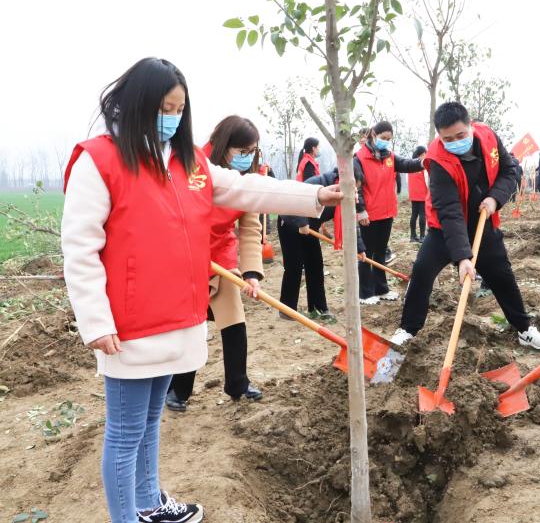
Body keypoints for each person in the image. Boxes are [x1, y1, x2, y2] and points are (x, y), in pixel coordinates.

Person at [61, 58, 341, 523]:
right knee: (125, 432)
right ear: (138, 104)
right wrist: (95, 321)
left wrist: (313, 196)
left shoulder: (188, 162)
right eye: (164, 108)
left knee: (150, 422)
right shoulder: (101, 161)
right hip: (128, 324)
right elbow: (80, 249)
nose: (172, 117)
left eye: (179, 109)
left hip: (178, 313)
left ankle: (149, 503)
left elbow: (245, 189)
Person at [390, 102, 540, 349]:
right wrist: (463, 257)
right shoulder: (436, 160)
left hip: (483, 222)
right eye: (448, 139)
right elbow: (449, 210)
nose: (455, 142)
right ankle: (407, 329)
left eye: (460, 135)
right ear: (439, 136)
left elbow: (509, 171)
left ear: (471, 126)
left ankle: (523, 328)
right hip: (445, 228)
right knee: (422, 271)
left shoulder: (488, 137)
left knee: (502, 274)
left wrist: (495, 198)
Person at [166, 115, 265, 412]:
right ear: (224, 145)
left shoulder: (246, 180)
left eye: (252, 152)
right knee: (190, 326)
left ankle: (238, 383)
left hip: (222, 257)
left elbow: (250, 229)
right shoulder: (193, 166)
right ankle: (178, 389)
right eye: (242, 151)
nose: (247, 158)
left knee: (234, 322)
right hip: (187, 257)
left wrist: (251, 273)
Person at [279, 167, 367, 319]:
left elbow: (350, 221)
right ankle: (287, 309)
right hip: (290, 223)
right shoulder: (317, 183)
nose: (355, 192)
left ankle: (318, 308)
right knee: (294, 267)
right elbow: (290, 201)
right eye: (354, 188)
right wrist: (301, 222)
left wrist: (359, 248)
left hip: (310, 227)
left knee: (315, 265)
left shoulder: (345, 196)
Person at [354, 121, 424, 304]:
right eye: (383, 138)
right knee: (366, 254)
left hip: (386, 212)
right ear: (373, 135)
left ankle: (381, 288)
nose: (386, 141)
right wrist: (361, 210)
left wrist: (424, 162)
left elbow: (407, 164)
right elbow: (356, 188)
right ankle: (365, 293)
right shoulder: (359, 158)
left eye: (389, 139)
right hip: (369, 214)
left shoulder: (389, 156)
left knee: (380, 252)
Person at [408, 145, 428, 242]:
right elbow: (427, 181)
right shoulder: (423, 165)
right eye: (425, 153)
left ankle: (412, 236)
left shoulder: (410, 165)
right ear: (421, 154)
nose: (426, 155)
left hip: (413, 194)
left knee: (414, 214)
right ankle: (422, 236)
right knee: (422, 215)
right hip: (422, 194)